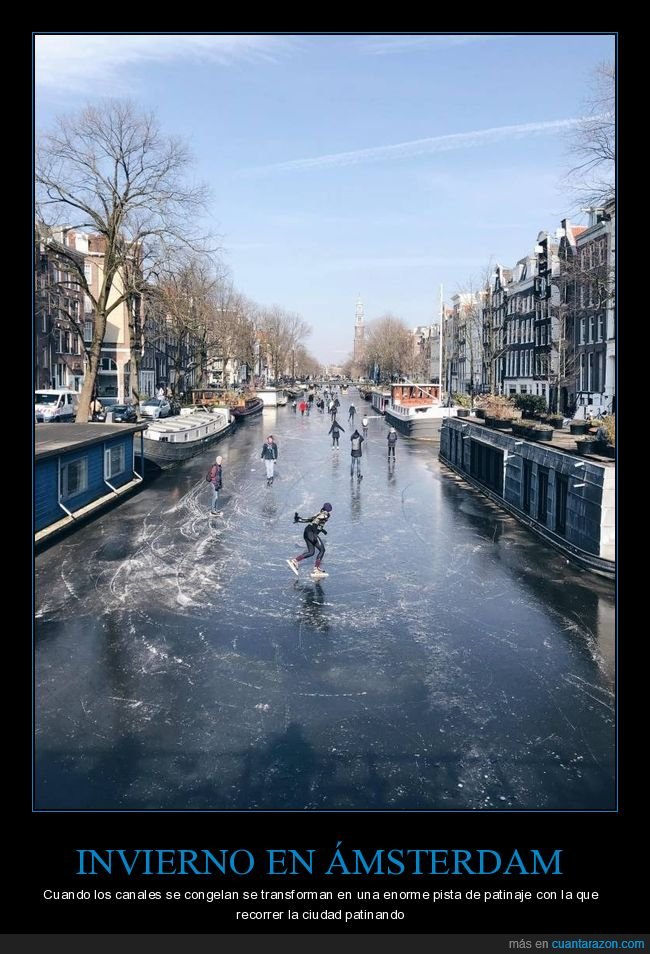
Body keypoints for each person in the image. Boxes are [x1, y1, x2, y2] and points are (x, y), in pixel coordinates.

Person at [287, 503, 333, 578]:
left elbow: (311, 520)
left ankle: (294, 561)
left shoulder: (319, 513)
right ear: (329, 510)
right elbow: (315, 523)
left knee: (311, 552)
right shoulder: (324, 514)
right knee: (322, 550)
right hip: (312, 533)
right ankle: (316, 569)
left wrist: (299, 519)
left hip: (306, 532)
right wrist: (315, 533)